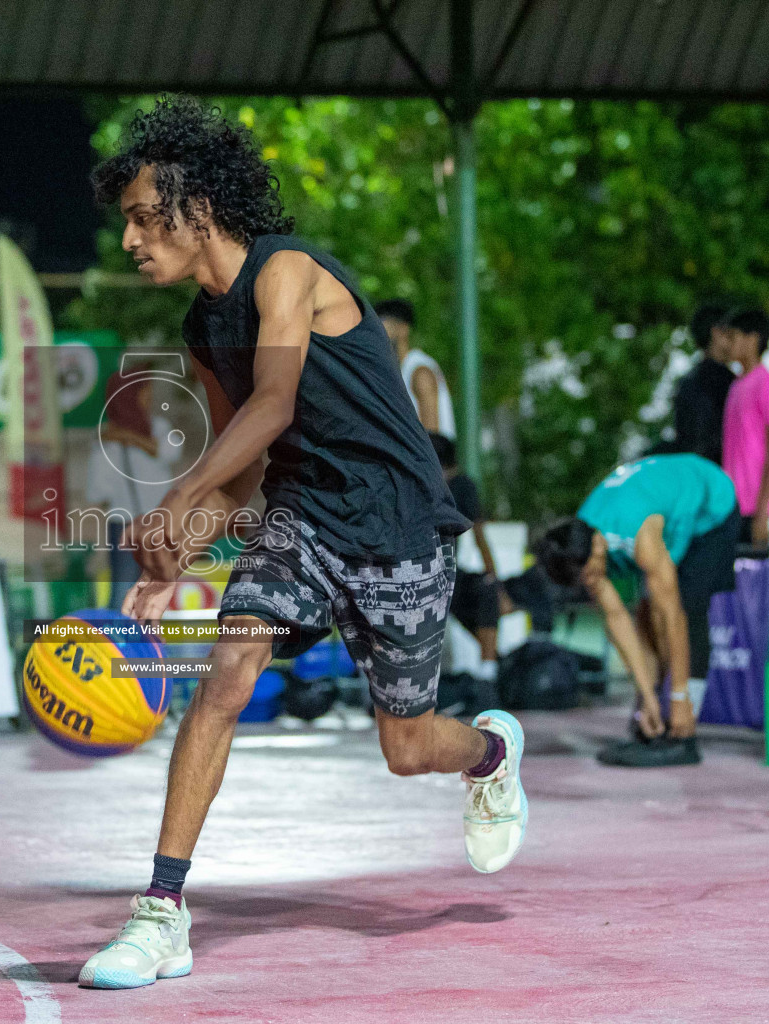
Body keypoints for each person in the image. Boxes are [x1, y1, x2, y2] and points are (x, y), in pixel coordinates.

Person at [78, 96, 526, 990]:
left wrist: (178, 498)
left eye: (140, 218)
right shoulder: (204, 325)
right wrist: (182, 558)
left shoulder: (287, 272)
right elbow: (244, 469)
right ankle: (162, 912)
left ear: (195, 206)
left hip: (398, 524)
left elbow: (274, 404)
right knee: (228, 672)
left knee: (406, 747)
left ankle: (491, 753)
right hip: (301, 518)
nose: (130, 240)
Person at [536, 454, 740, 769]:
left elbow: (674, 617)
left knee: (684, 604)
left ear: (599, 549)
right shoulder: (579, 543)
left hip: (710, 507)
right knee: (645, 613)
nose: (592, 583)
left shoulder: (638, 534)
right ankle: (652, 713)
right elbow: (618, 620)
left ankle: (684, 732)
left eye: (591, 575)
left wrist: (678, 697)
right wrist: (646, 694)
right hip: (661, 506)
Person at [85, 368, 180, 609]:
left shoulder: (157, 427)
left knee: (156, 592)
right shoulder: (107, 440)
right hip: (127, 524)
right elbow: (97, 492)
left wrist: (129, 437)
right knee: (124, 593)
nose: (149, 398)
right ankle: (119, 645)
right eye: (143, 393)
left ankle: (145, 644)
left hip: (156, 524)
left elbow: (171, 451)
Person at [431, 435, 502, 683]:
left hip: (447, 576)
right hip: (414, 575)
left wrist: (493, 577)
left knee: (486, 589)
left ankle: (489, 670)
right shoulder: (416, 486)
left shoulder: (461, 486)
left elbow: (480, 535)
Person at [721, 308, 769, 549]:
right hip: (738, 507)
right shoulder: (736, 386)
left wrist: (763, 511)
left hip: (765, 510)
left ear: (752, 339)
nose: (727, 344)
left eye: (733, 337)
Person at [375, 297, 455, 439]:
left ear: (403, 329)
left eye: (382, 324)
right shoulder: (396, 371)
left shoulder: (420, 371)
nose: (376, 332)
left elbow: (432, 438)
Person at [668, 303, 735, 464]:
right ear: (716, 333)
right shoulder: (728, 383)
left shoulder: (687, 382)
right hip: (718, 474)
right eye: (731, 332)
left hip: (693, 473)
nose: (736, 339)